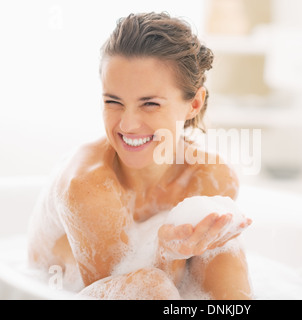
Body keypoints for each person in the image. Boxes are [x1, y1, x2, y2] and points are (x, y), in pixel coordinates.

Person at [27, 12, 253, 300]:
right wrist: (166, 253)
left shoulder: (211, 179)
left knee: (227, 253)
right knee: (151, 286)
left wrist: (170, 254)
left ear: (194, 103)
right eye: (113, 101)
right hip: (51, 291)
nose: (128, 125)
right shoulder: (88, 188)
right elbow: (128, 288)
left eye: (149, 104)